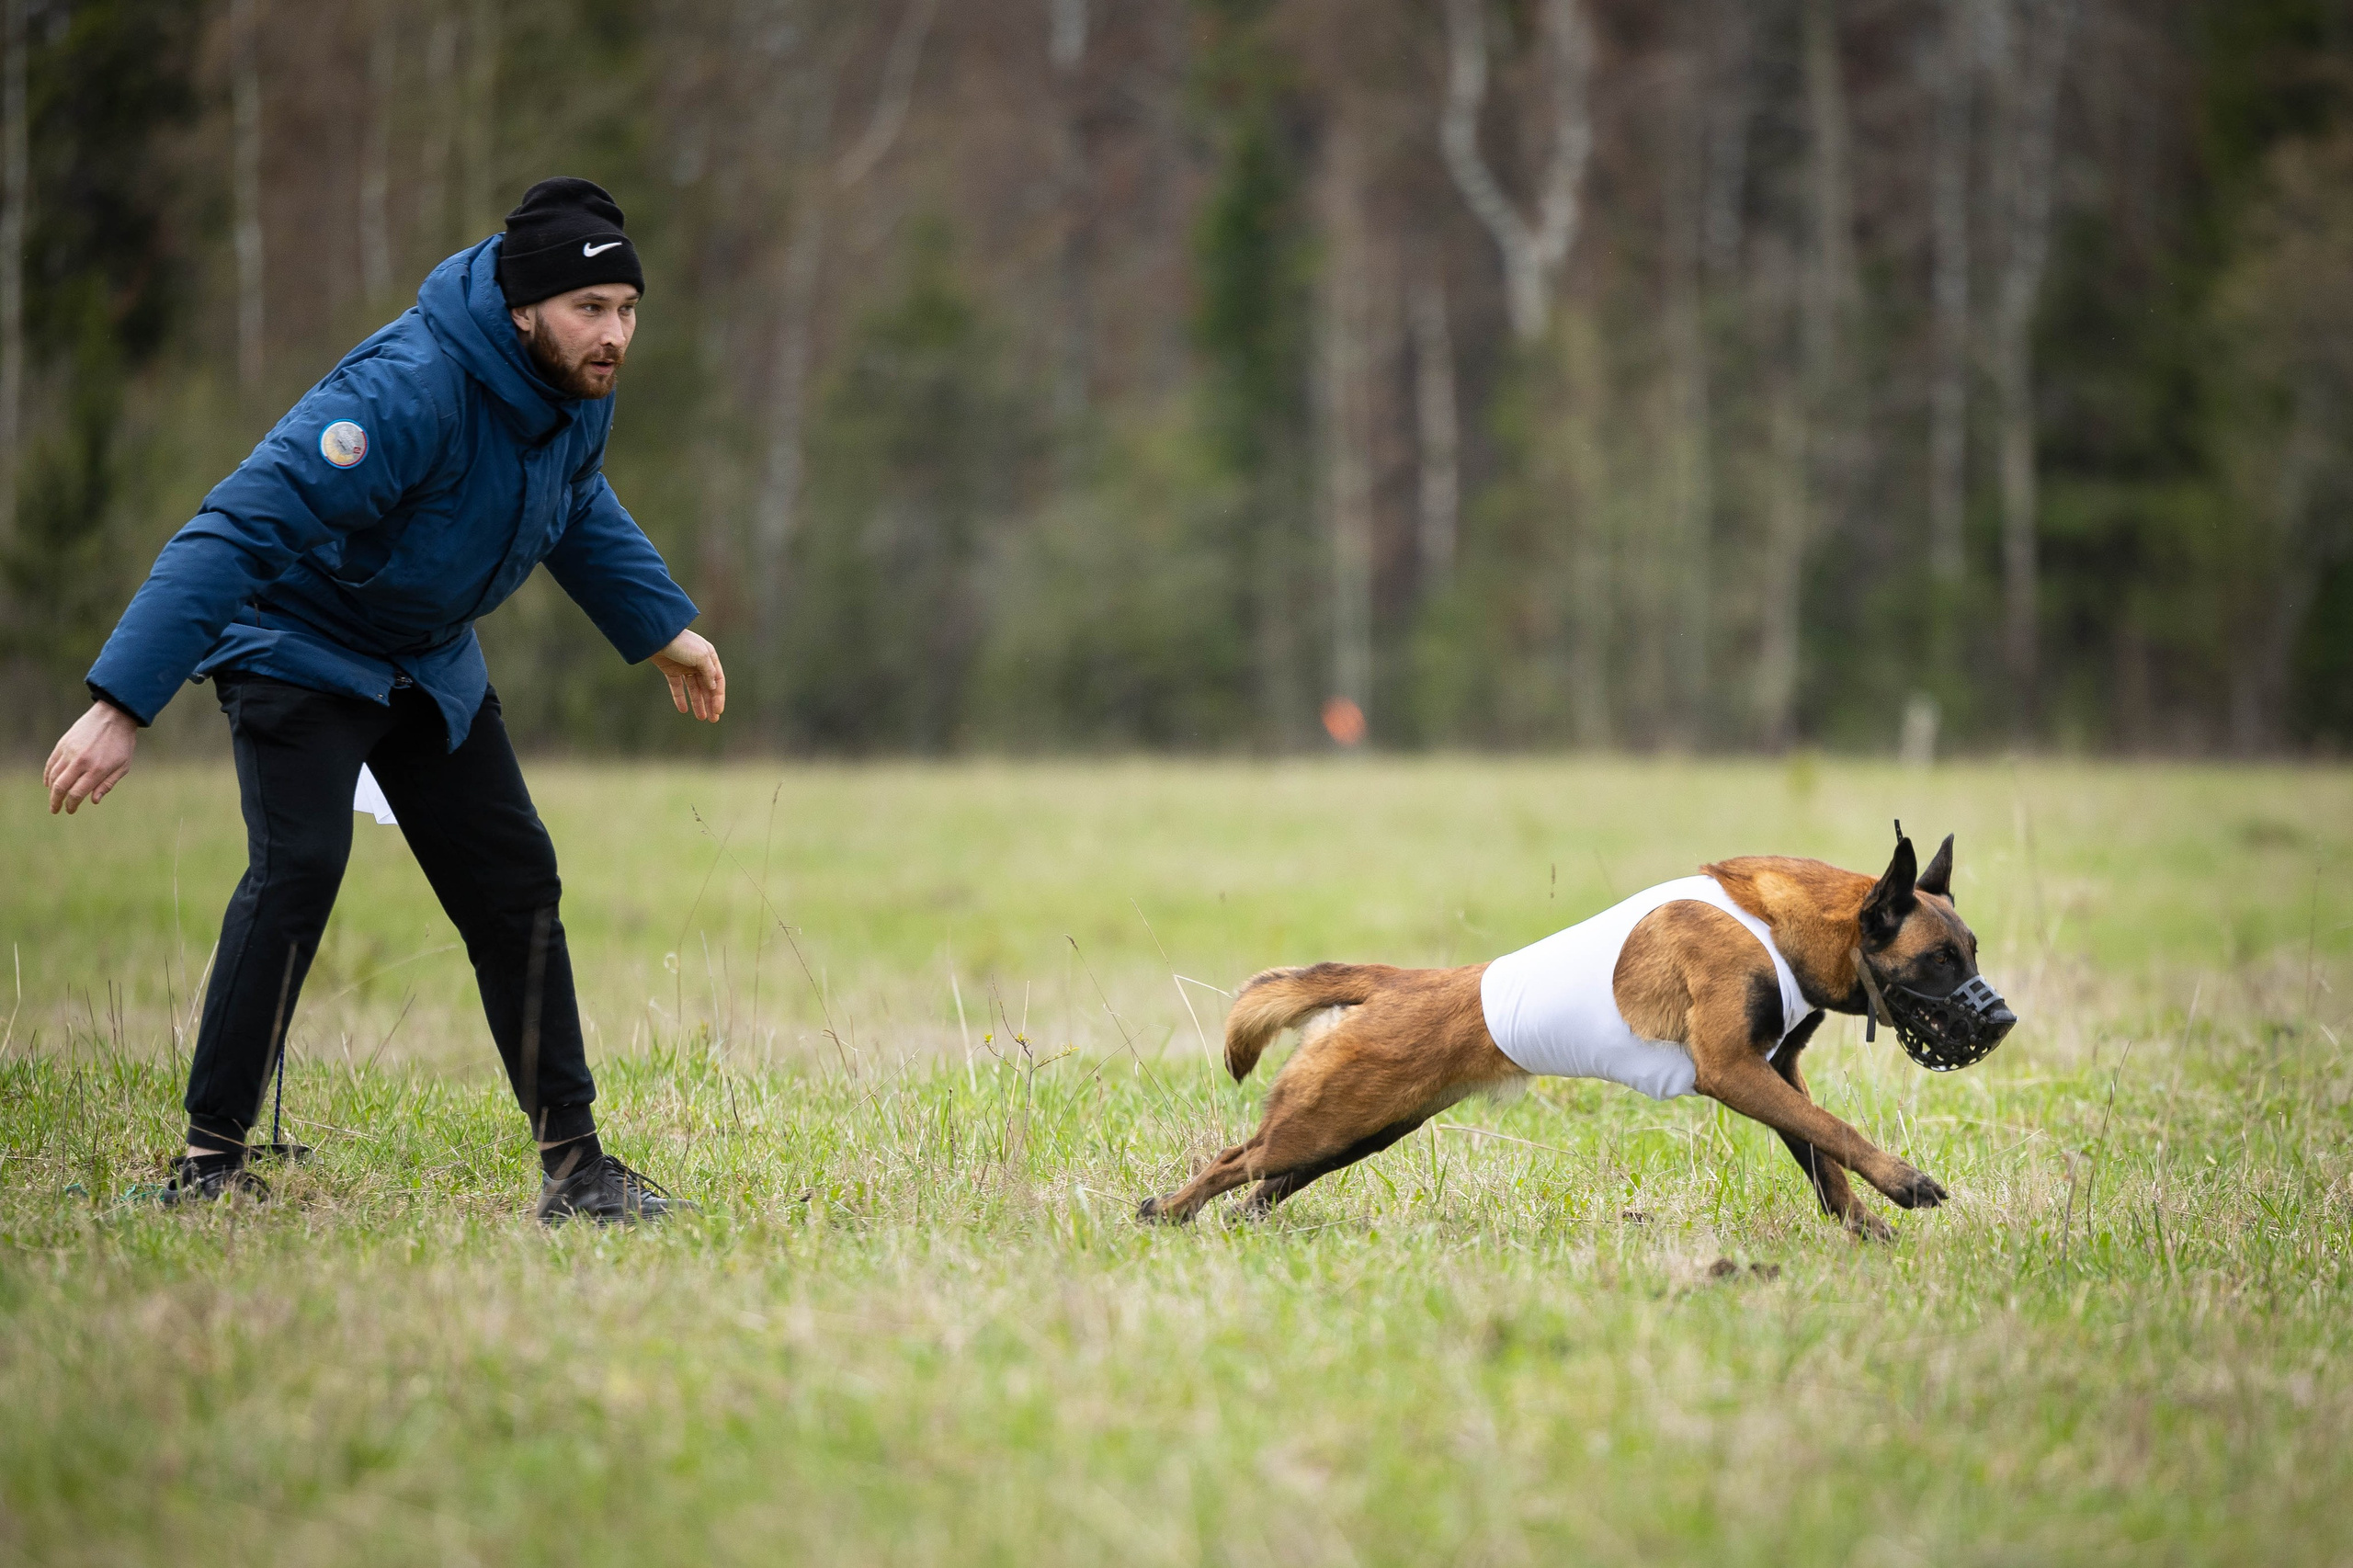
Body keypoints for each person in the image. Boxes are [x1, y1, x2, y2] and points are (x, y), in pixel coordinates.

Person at [40, 177, 721, 1224]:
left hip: (426, 656)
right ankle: (209, 1162)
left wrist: (659, 626)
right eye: (592, 309)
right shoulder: (405, 390)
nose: (615, 335)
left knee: (514, 881)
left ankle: (579, 1170)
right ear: (523, 305)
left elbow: (574, 499)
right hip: (298, 642)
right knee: (300, 867)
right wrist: (123, 700)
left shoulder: (575, 390)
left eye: (629, 310)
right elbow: (238, 527)